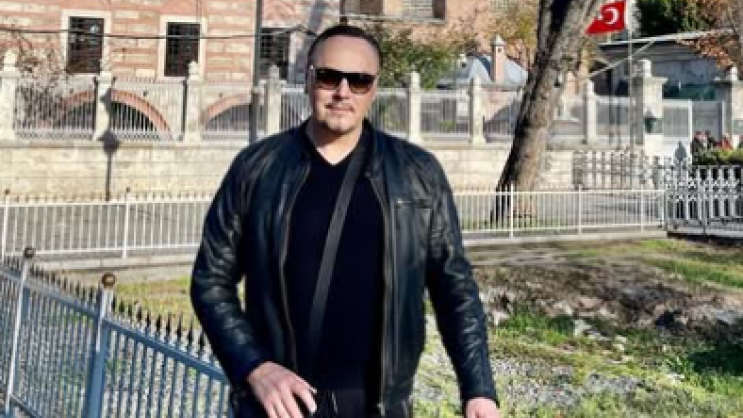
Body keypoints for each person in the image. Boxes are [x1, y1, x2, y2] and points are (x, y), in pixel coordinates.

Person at [191, 24, 500, 418]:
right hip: (279, 405)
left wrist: (479, 389)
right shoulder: (257, 168)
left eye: (359, 81)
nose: (342, 92)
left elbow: (454, 287)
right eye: (329, 76)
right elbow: (211, 280)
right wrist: (255, 367)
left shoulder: (417, 173)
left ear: (374, 88)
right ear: (307, 78)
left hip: (376, 405)